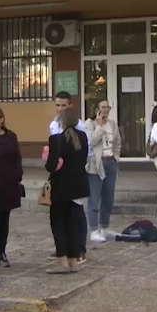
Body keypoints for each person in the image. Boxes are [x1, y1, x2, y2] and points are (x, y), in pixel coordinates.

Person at [45, 108, 89, 274]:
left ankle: (63, 262)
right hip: (78, 185)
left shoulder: (57, 139)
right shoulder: (83, 137)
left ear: (61, 122)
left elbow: (50, 165)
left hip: (61, 186)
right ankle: (74, 262)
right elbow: (85, 158)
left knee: (58, 223)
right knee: (73, 224)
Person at [0, 105, 23, 268]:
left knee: (4, 221)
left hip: (7, 185)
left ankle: (2, 252)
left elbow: (17, 159)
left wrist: (17, 176)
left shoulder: (10, 137)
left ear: (1, 119)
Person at [84, 100, 121, 243]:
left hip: (110, 162)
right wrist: (99, 125)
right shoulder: (90, 124)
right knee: (94, 198)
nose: (105, 110)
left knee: (108, 197)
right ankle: (93, 229)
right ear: (97, 110)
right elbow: (91, 142)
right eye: (103, 107)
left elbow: (117, 142)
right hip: (96, 165)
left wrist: (116, 158)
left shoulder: (112, 124)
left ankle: (105, 227)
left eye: (108, 107)